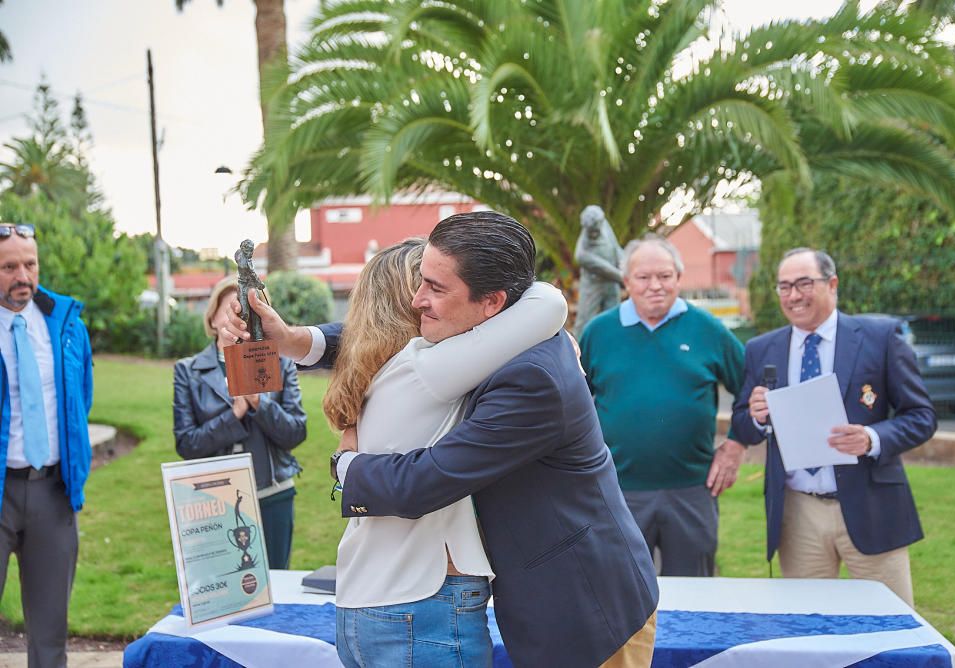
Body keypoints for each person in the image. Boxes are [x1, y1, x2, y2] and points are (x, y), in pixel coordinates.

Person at [224, 212, 659, 667]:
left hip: (584, 603)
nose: (416, 300)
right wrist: (294, 339)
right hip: (523, 587)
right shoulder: (489, 331)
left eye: (434, 288)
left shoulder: (531, 378)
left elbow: (424, 481)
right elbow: (388, 329)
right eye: (418, 282)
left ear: (492, 303)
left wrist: (346, 465)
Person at [323, 237, 568, 667]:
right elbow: (548, 305)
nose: (429, 297)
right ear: (410, 300)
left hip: (364, 602)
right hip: (424, 606)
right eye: (429, 285)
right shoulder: (428, 368)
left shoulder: (377, 375)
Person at [731, 248, 936, 605]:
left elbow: (922, 416)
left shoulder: (881, 338)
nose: (794, 295)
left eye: (804, 283)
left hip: (871, 504)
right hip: (798, 514)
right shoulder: (761, 349)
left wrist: (872, 438)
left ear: (833, 283)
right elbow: (743, 425)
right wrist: (757, 416)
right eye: (784, 286)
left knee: (888, 631)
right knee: (808, 632)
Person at [579, 235, 747, 577]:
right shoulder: (598, 333)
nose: (655, 285)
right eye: (643, 277)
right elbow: (573, 406)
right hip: (618, 491)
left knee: (696, 598)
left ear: (678, 278)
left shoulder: (709, 330)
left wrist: (735, 447)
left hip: (692, 491)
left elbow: (751, 390)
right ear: (626, 281)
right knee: (622, 594)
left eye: (665, 276)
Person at [0, 221, 93, 668]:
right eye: (9, 267)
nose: (22, 276)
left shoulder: (66, 323)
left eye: (30, 264)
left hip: (52, 495)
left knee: (50, 637)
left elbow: (81, 399)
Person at [172, 275, 307, 570]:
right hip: (214, 499)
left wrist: (259, 403)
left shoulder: (281, 364)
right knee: (224, 590)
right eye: (230, 307)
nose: (238, 315)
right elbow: (187, 444)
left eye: (247, 309)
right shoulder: (188, 371)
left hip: (272, 495)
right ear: (212, 317)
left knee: (275, 585)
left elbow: (296, 432)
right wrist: (233, 414)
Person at [573, 204, 624, 336]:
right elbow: (603, 268)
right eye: (591, 232)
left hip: (611, 284)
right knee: (584, 321)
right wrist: (623, 277)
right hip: (592, 285)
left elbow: (615, 247)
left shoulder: (604, 224)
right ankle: (575, 354)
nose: (595, 234)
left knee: (614, 320)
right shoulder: (582, 253)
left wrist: (624, 264)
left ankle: (612, 352)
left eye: (597, 230)